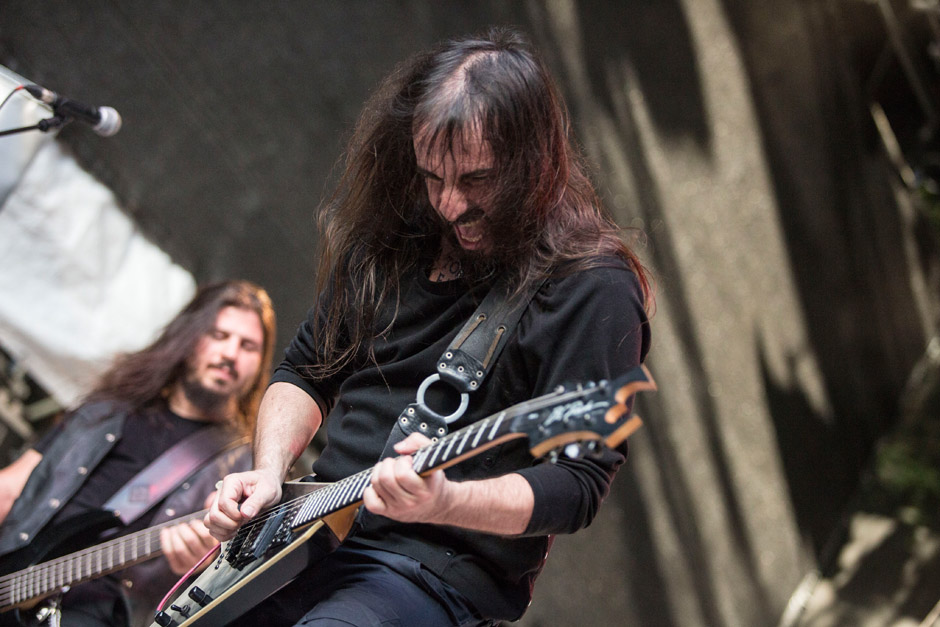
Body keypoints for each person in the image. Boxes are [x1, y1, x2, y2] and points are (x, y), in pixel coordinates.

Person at [206, 27, 652, 626]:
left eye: (476, 180)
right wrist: (267, 471)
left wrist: (449, 500)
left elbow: (575, 484)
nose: (448, 204)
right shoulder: (395, 234)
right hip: (309, 536)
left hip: (430, 578)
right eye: (432, 176)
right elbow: (306, 370)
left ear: (536, 161)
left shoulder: (591, 287)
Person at [0, 280, 276, 627]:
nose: (230, 354)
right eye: (218, 336)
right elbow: (12, 488)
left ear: (260, 366)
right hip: (13, 577)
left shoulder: (248, 463)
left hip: (99, 610)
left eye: (248, 346)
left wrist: (204, 566)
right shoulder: (111, 406)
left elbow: (236, 579)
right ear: (188, 338)